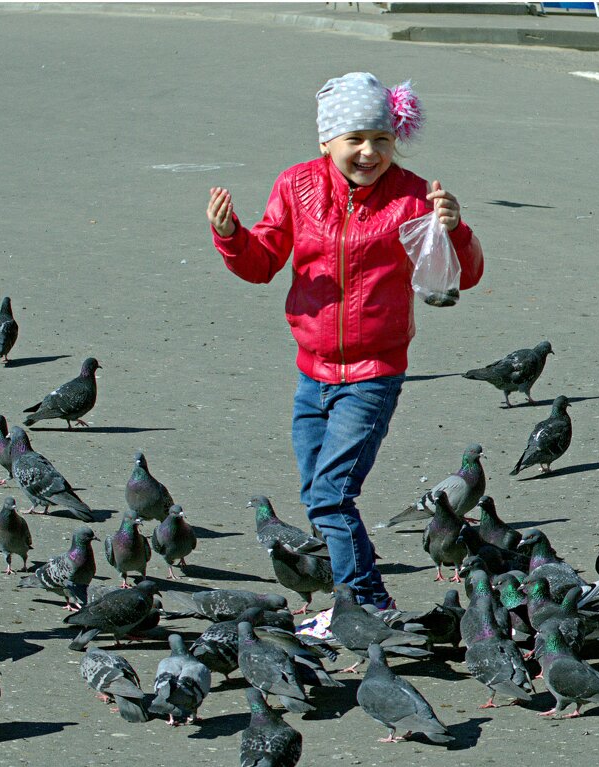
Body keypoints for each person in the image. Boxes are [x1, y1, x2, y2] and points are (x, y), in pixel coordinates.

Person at [206, 71, 484, 609]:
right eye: (354, 138)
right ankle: (354, 604)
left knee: (332, 496)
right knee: (317, 497)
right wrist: (231, 236)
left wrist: (453, 230)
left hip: (374, 372)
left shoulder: (411, 196)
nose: (369, 152)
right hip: (311, 371)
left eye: (382, 139)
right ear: (325, 140)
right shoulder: (296, 185)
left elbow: (458, 278)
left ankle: (367, 603)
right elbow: (263, 262)